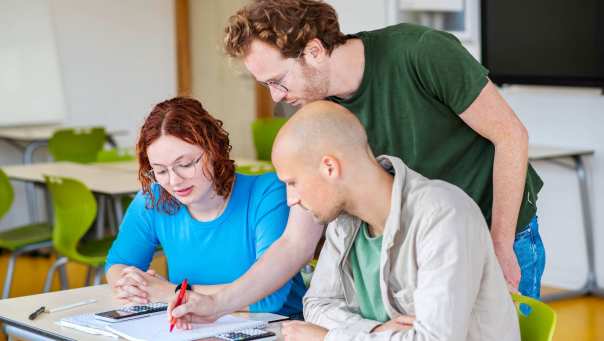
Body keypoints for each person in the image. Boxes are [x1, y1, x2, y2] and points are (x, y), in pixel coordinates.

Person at [168, 0, 545, 323]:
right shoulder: (319, 115)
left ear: (314, 51)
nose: (277, 96)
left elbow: (511, 136)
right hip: (416, 246)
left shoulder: (420, 52)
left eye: (278, 80)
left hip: (492, 230)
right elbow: (296, 241)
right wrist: (219, 304)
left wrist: (500, 244)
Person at [274, 101, 520, 341]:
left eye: (292, 183)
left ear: (329, 167)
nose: (290, 200)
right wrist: (375, 331)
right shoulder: (343, 223)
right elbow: (316, 305)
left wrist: (329, 337)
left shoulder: (443, 215)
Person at [105, 97, 305, 317]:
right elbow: (118, 264)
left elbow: (268, 298)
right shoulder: (154, 199)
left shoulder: (267, 193)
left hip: (276, 328)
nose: (174, 180)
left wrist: (171, 292)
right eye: (160, 171)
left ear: (213, 150)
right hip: (194, 326)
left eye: (185, 165)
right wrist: (133, 285)